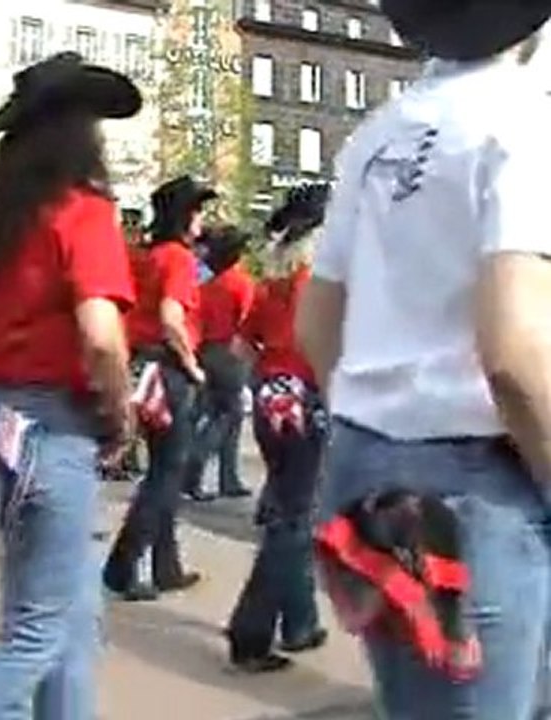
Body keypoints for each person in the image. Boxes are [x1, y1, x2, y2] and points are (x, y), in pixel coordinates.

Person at [295, 3, 551, 717]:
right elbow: (514, 349)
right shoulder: (526, 123)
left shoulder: (378, 133)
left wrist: (384, 416)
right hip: (479, 472)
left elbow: (317, 323)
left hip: (367, 460)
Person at [0, 52, 137, 719]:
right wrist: (120, 412)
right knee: (36, 627)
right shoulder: (83, 211)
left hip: (4, 421)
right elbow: (100, 335)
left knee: (71, 617)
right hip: (59, 425)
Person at [225, 184, 331, 673]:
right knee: (294, 523)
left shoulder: (273, 286)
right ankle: (252, 630)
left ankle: (299, 622)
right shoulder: (320, 285)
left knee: (290, 511)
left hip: (271, 401)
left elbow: (241, 351)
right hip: (308, 401)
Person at [104, 174, 215, 601]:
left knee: (162, 466)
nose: (202, 219)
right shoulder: (179, 260)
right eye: (198, 210)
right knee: (167, 474)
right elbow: (171, 318)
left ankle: (166, 565)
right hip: (169, 370)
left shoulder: (146, 255)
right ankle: (123, 564)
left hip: (143, 364)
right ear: (185, 216)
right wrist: (192, 365)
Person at [183, 225, 255, 501]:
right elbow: (247, 322)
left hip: (206, 351)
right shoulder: (241, 284)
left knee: (217, 413)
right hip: (230, 352)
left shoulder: (208, 285)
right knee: (227, 416)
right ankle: (196, 465)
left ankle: (229, 477)